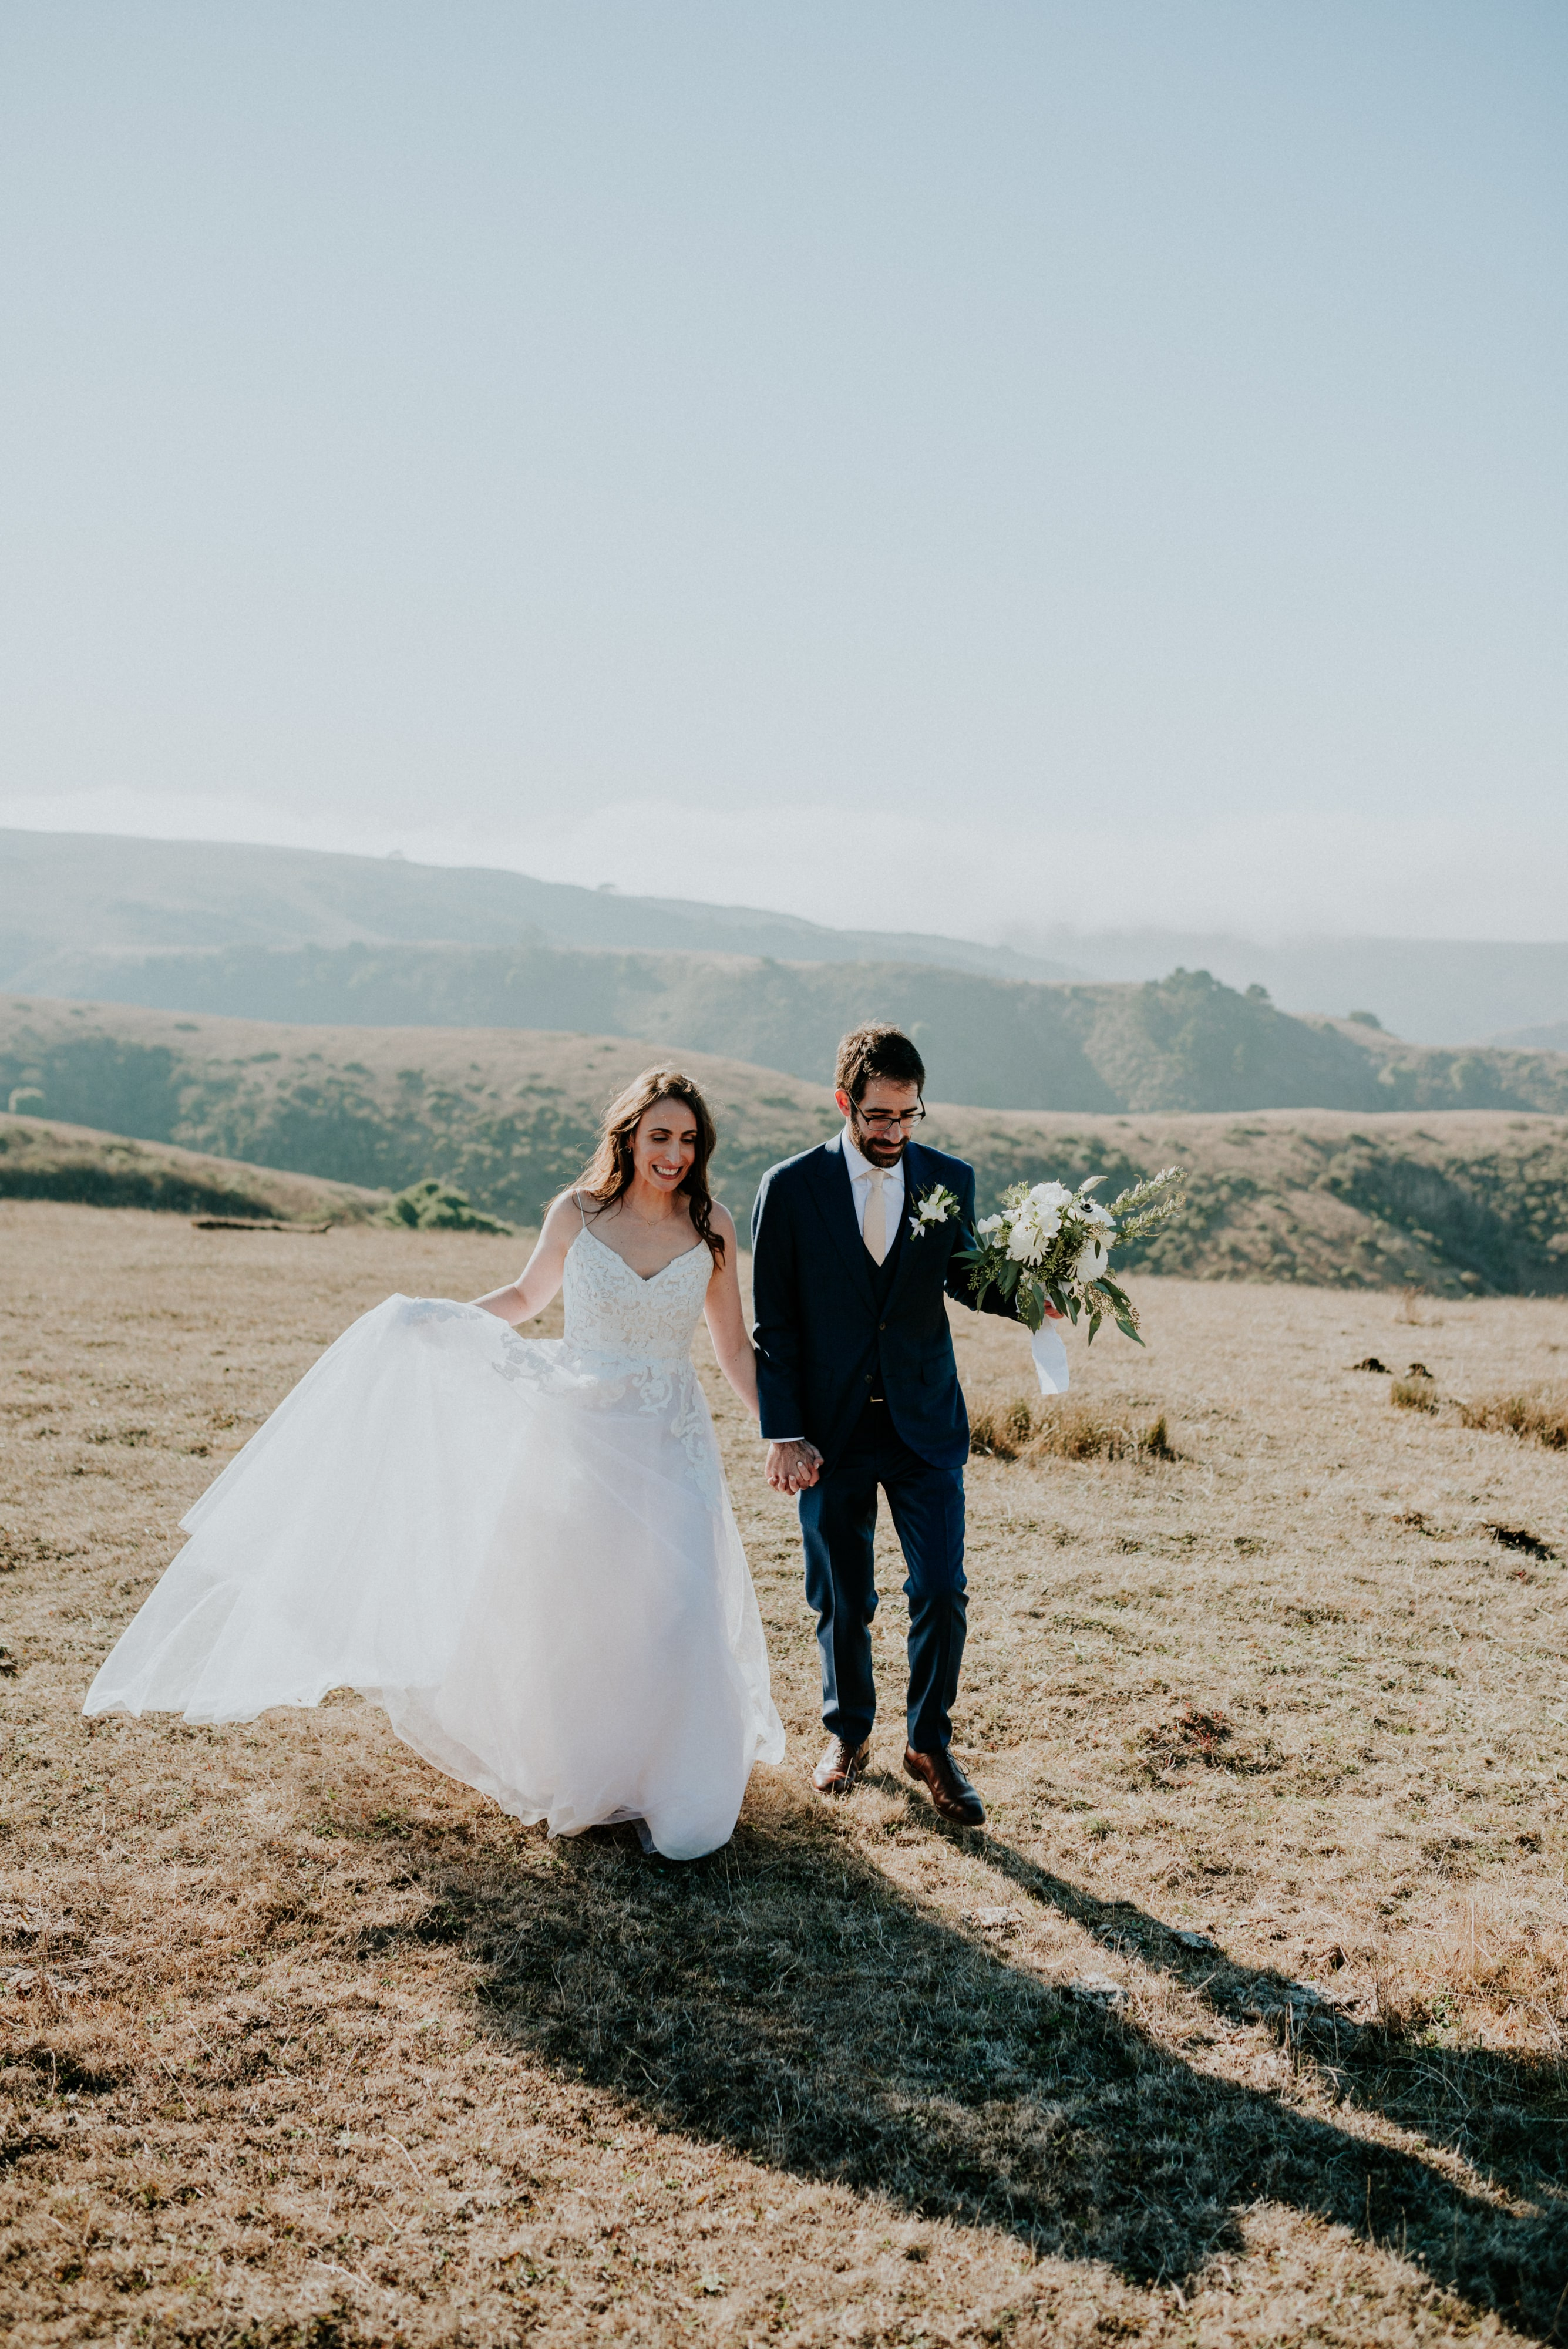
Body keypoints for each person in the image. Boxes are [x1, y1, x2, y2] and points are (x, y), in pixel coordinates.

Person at [84, 1071, 785, 1862]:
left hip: (670, 1441)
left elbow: (730, 1348)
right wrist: (437, 1322)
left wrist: (783, 1431)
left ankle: (679, 1786)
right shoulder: (577, 1213)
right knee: (589, 1607)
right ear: (626, 1135)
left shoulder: (712, 1226)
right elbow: (525, 1297)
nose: (675, 1153)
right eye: (660, 1135)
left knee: (678, 1604)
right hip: (581, 1433)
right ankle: (591, 1769)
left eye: (689, 1140)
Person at [751, 1024, 1043, 1827]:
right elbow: (773, 1325)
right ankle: (846, 1734)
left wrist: (1035, 1294)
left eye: (908, 1116)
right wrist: (784, 1431)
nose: (893, 1134)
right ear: (845, 1102)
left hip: (925, 1423)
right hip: (829, 1431)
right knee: (844, 1598)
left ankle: (929, 1744)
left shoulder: (948, 1178)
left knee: (942, 1589)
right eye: (878, 1117)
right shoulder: (790, 1187)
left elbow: (964, 1279)